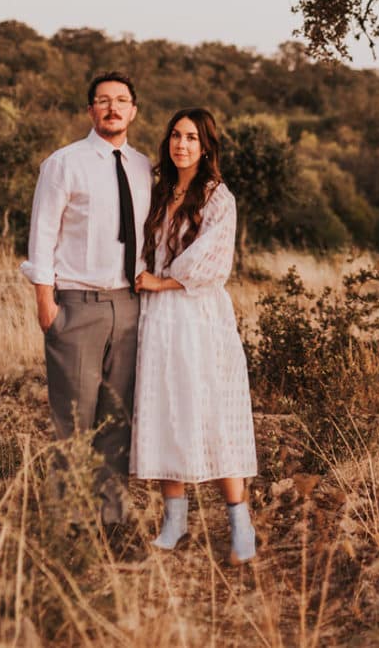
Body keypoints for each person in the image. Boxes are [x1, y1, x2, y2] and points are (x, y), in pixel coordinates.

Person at [21, 72, 151, 533]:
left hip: (130, 307)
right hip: (76, 305)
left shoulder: (143, 166)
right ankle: (65, 526)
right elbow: (42, 233)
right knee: (73, 421)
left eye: (121, 101)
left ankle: (111, 523)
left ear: (133, 110)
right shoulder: (64, 164)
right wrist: (46, 303)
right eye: (103, 101)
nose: (113, 108)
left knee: (117, 421)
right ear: (90, 110)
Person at [131, 107, 258, 564]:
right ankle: (175, 519)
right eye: (174, 136)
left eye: (190, 137)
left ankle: (240, 522)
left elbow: (214, 260)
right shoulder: (157, 189)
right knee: (166, 409)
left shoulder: (217, 197)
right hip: (159, 317)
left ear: (206, 146)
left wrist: (162, 281)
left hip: (198, 314)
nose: (180, 144)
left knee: (213, 411)